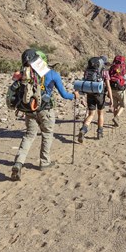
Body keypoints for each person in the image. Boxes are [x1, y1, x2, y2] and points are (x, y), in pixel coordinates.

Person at [11, 49, 80, 181]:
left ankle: (18, 163)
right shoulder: (53, 74)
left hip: (29, 110)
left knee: (29, 136)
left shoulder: (24, 73)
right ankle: (44, 162)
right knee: (47, 134)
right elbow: (64, 95)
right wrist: (74, 95)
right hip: (46, 110)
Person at [78, 55, 113, 142]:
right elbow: (108, 87)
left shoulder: (88, 70)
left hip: (90, 93)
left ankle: (83, 129)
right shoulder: (104, 71)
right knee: (100, 114)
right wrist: (111, 99)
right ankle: (99, 132)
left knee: (91, 114)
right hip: (100, 95)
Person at [110, 56, 126, 127]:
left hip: (112, 90)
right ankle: (116, 117)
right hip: (120, 90)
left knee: (115, 106)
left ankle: (115, 122)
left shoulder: (111, 69)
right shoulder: (124, 71)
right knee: (123, 105)